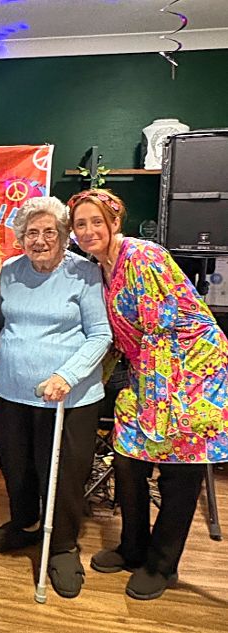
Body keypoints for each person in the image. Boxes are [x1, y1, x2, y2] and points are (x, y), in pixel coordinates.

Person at [68, 188, 228, 600]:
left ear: (114, 222)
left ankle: (162, 564)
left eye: (96, 222)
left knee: (180, 470)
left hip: (190, 370)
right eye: (80, 224)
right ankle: (133, 547)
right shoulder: (101, 268)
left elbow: (161, 330)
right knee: (128, 459)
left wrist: (156, 407)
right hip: (150, 371)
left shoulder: (142, 256)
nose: (88, 231)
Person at [0, 196, 112, 599]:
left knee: (63, 475)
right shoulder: (10, 271)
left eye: (49, 232)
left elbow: (101, 335)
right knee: (17, 467)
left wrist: (66, 375)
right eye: (31, 233)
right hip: (11, 392)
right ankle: (25, 524)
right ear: (21, 237)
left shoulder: (84, 273)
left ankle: (62, 546)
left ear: (63, 235)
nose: (39, 240)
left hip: (68, 399)